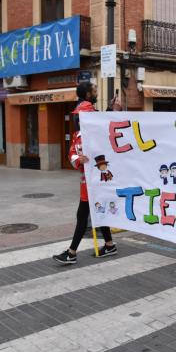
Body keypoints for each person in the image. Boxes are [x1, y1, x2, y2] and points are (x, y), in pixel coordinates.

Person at [53, 82, 121, 265]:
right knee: (99, 212)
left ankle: (71, 253)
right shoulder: (79, 135)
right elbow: (72, 154)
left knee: (83, 217)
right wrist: (78, 160)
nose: (79, 119)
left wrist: (111, 110)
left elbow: (108, 132)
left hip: (96, 182)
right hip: (88, 183)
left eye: (83, 116)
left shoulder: (95, 134)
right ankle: (109, 244)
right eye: (80, 116)